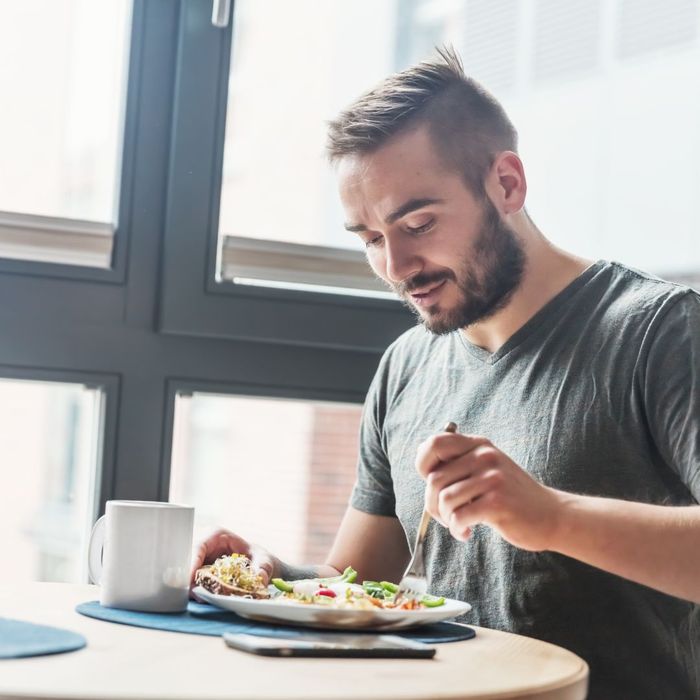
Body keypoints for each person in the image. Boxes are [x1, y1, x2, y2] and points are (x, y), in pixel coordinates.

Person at [191, 49, 700, 699]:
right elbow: (355, 583)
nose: (397, 266)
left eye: (418, 222)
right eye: (371, 238)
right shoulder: (406, 366)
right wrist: (273, 579)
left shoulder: (663, 332)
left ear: (507, 185)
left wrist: (551, 518)